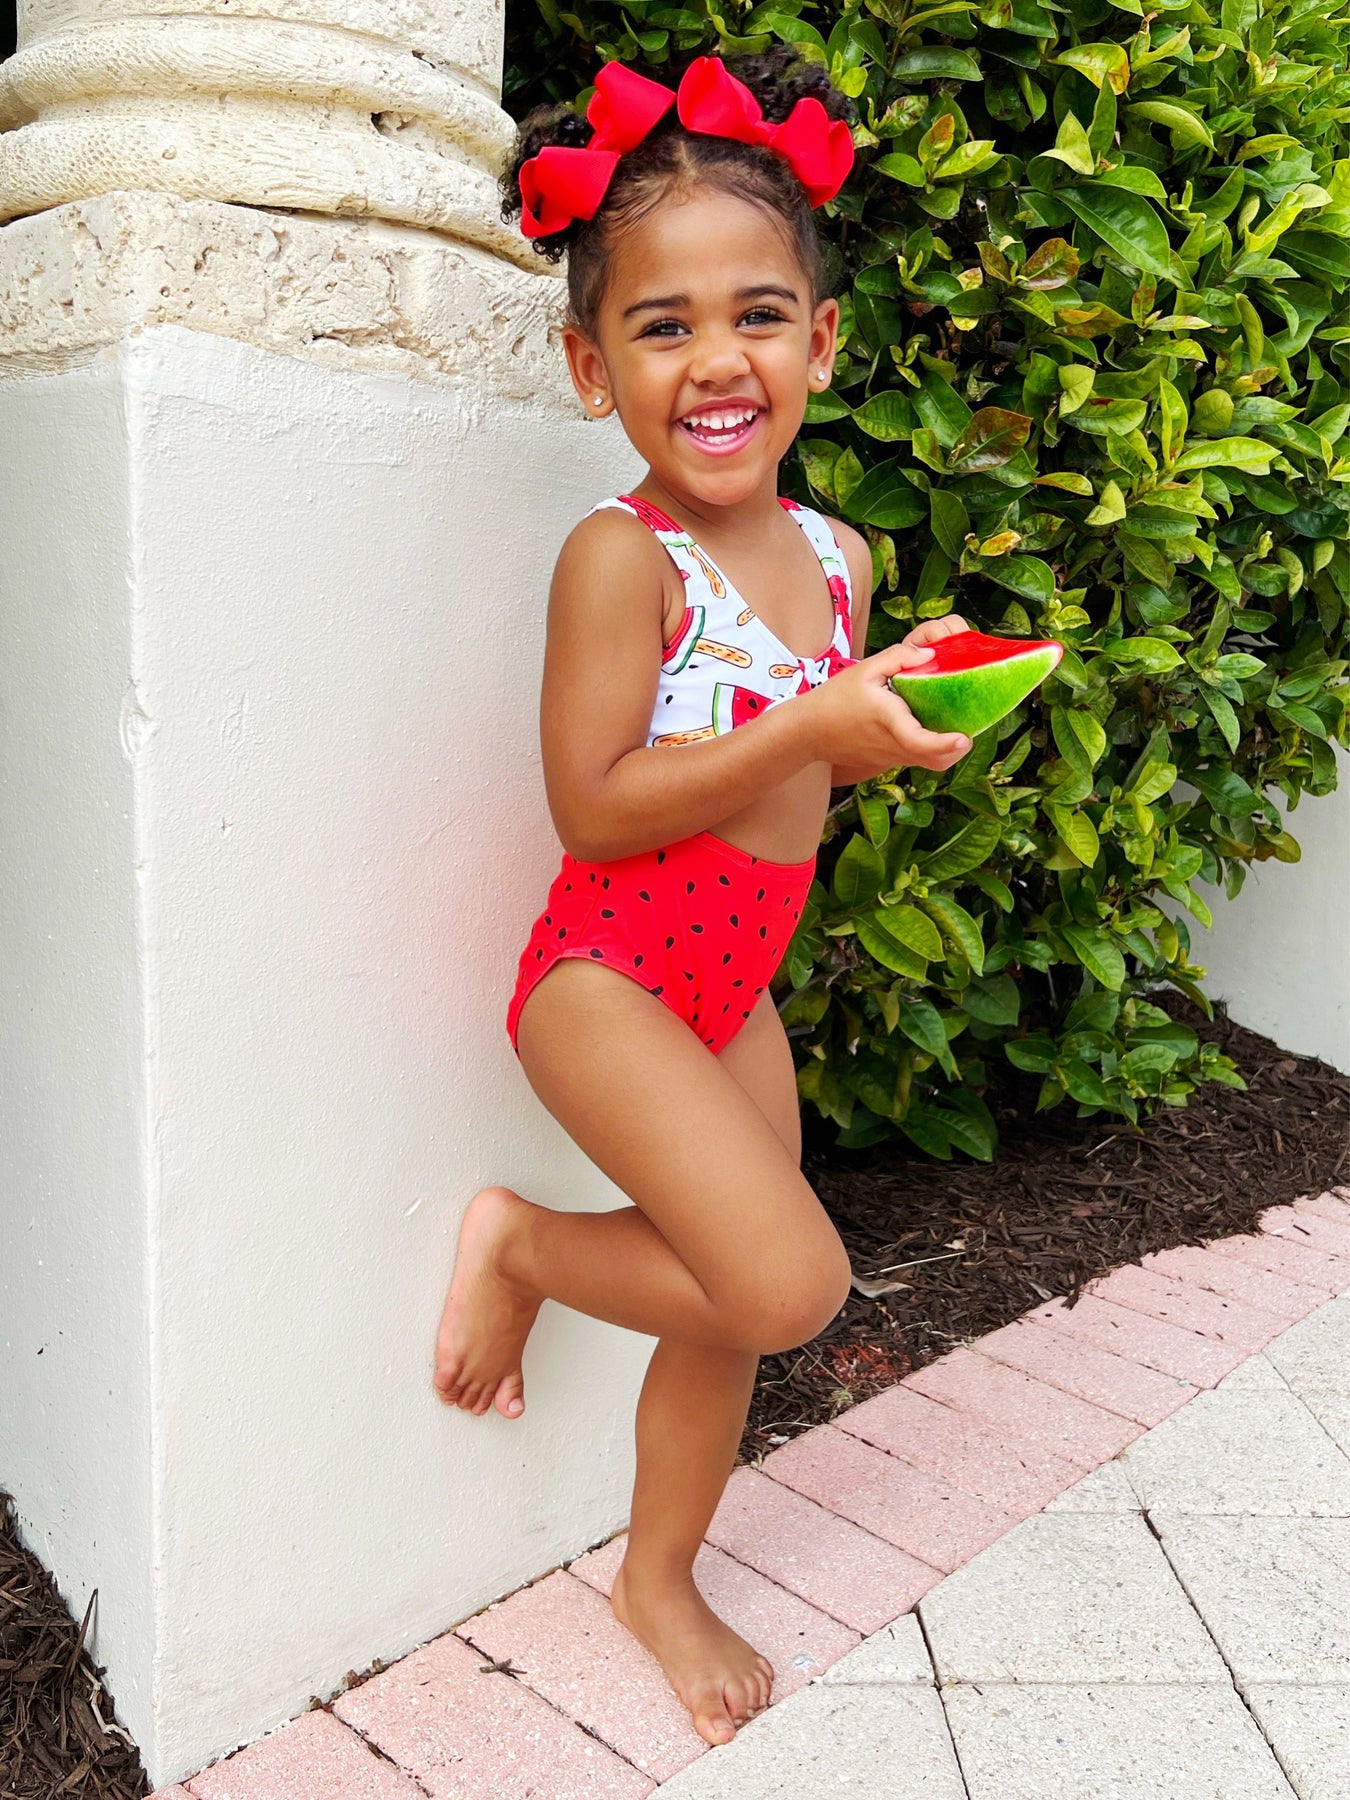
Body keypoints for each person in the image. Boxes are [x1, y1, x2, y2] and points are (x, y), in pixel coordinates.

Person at [432, 45, 972, 1749]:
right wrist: (808, 723)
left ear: (822, 340)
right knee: (789, 1288)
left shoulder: (835, 556)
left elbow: (793, 773)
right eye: (662, 327)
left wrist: (886, 709)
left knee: (733, 1309)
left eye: (757, 314)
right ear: (592, 366)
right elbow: (594, 809)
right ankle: (517, 1242)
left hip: (732, 981)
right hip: (605, 976)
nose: (717, 358)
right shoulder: (622, 557)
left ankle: (656, 1575)